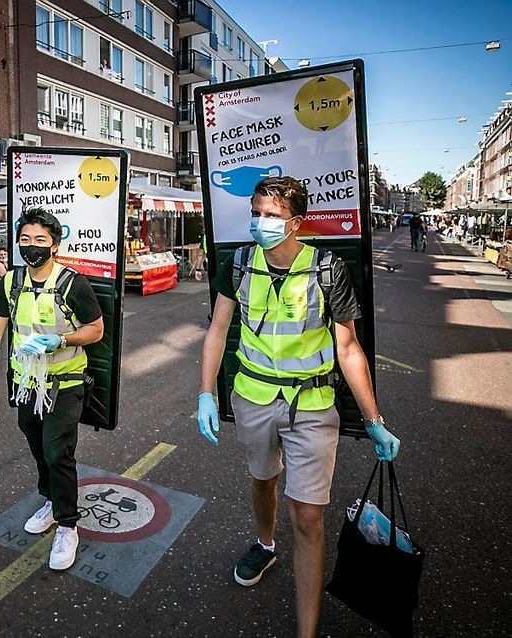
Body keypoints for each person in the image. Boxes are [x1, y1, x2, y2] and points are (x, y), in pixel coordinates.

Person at [196, 177, 401, 638]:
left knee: (307, 516)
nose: (261, 222)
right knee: (263, 481)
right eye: (256, 212)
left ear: (296, 222)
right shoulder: (239, 263)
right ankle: (265, 544)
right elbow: (217, 330)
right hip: (253, 398)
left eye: (271, 214)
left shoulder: (327, 269)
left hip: (312, 404)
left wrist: (374, 420)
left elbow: (348, 348)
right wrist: (205, 392)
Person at [0, 209, 104, 571]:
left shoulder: (73, 284)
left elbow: (96, 330)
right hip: (26, 382)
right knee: (35, 442)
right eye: (25, 240)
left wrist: (59, 340)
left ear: (55, 245)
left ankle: (67, 525)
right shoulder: (10, 283)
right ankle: (50, 500)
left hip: (66, 383)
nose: (31, 247)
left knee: (56, 450)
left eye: (40, 240)